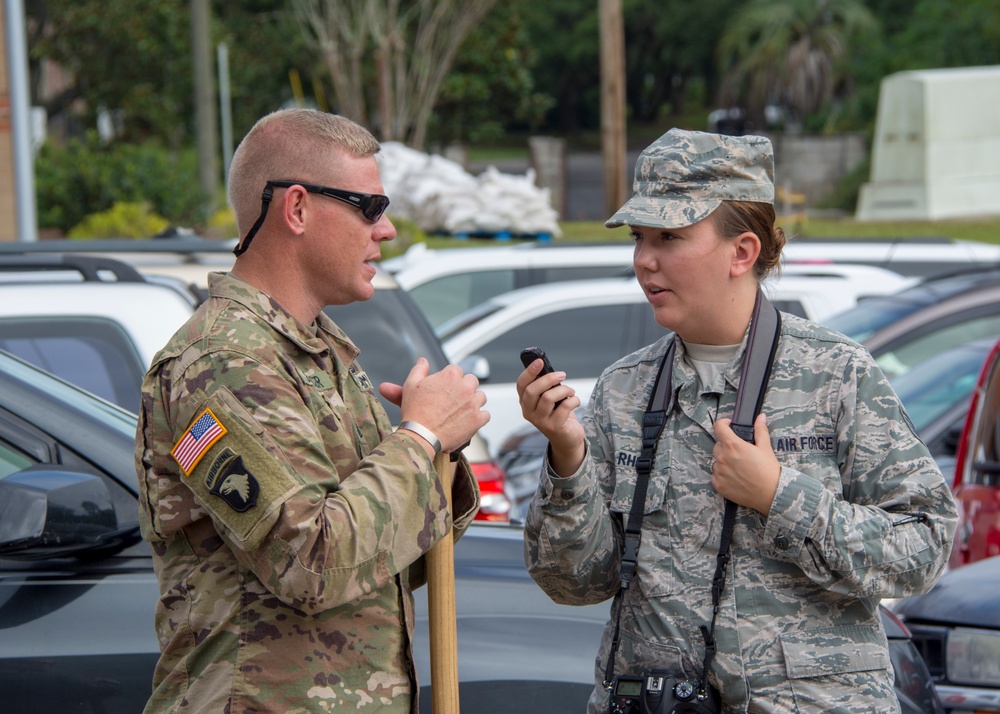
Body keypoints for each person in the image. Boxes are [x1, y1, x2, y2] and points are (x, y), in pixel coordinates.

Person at [517, 128, 957, 713]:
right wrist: (567, 458)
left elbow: (924, 548)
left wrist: (780, 495)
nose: (644, 260)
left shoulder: (836, 374)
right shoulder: (625, 389)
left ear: (742, 252)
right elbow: (573, 583)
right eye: (640, 238)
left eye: (670, 237)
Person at [135, 108, 488, 713]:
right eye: (369, 208)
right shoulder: (222, 362)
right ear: (296, 209)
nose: (388, 230)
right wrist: (421, 438)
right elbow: (311, 562)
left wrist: (436, 449)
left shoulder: (320, 354)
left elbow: (390, 562)